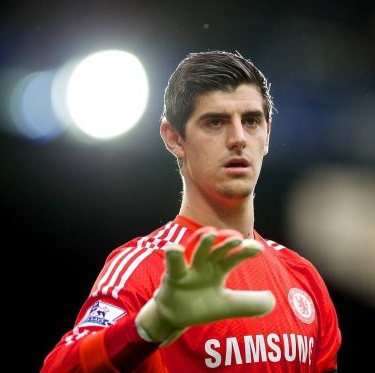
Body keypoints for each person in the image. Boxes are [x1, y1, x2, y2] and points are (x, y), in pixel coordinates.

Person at [41, 50, 341, 372]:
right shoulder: (144, 268)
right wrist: (151, 325)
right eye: (215, 122)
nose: (238, 138)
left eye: (251, 121)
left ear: (267, 135)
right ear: (174, 138)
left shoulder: (304, 278)